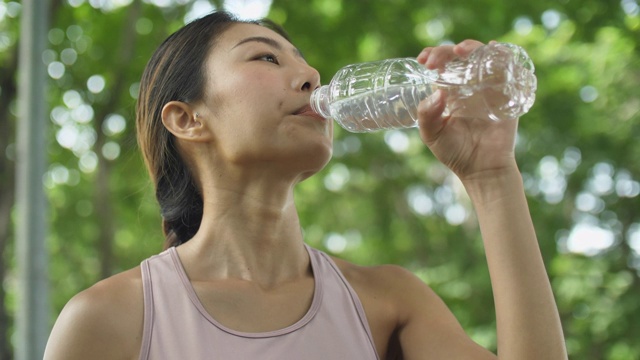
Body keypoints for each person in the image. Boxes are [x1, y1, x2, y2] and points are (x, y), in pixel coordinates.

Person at [44, 11, 567, 360]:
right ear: (187, 119)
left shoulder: (390, 302)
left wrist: (493, 176)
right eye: (266, 57)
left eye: (305, 63)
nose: (312, 75)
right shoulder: (109, 320)